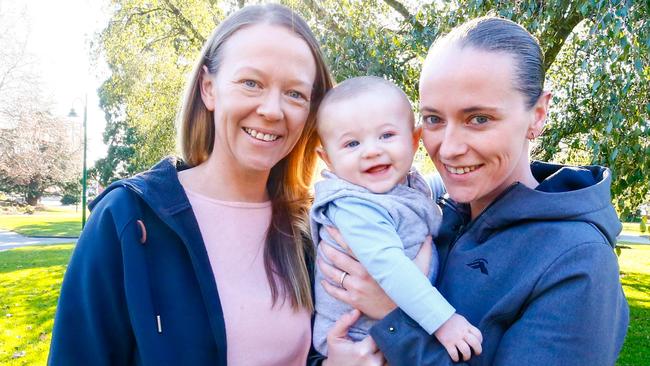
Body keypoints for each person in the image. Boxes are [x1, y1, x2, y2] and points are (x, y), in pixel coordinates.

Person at [319, 16, 629, 365]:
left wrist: (394, 315)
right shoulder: (432, 211)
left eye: (478, 118)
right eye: (434, 119)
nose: (448, 149)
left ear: (538, 114)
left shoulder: (577, 259)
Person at [48, 4, 333, 365]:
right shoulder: (127, 219)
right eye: (251, 83)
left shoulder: (312, 228)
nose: (273, 110)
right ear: (209, 89)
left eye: (295, 93)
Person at [310, 76, 482, 360]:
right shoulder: (354, 207)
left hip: (395, 331)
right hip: (359, 338)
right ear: (327, 159)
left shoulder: (400, 184)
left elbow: (425, 191)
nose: (372, 150)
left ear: (415, 140)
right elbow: (390, 268)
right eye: (352, 144)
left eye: (386, 135)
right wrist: (443, 322)